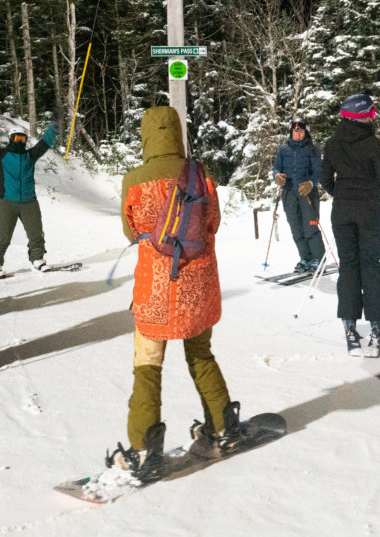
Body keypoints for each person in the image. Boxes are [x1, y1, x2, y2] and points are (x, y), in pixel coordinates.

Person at [108, 105, 240, 481]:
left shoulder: (134, 179)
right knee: (201, 355)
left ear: (146, 136)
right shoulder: (200, 173)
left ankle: (143, 449)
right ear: (178, 133)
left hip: (156, 291)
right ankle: (224, 427)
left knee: (148, 367)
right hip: (199, 286)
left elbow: (130, 231)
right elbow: (212, 222)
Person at [320, 93, 380, 350]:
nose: (374, 117)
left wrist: (340, 194)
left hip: (342, 212)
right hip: (369, 211)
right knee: (370, 264)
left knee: (349, 265)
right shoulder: (373, 144)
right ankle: (377, 320)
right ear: (363, 116)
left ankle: (349, 321)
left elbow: (325, 178)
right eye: (372, 113)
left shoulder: (332, 143)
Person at [0, 119, 57, 278]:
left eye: (23, 139)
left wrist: (55, 126)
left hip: (29, 202)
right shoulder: (1, 155)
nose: (20, 141)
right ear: (11, 138)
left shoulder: (30, 155)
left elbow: (46, 141)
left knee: (36, 233)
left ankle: (38, 260)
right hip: (6, 202)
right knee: (3, 236)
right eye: (17, 138)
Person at [272, 118, 325, 272]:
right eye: (295, 130)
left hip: (307, 193)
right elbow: (276, 168)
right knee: (296, 228)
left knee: (310, 227)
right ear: (291, 132)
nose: (298, 133)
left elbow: (318, 171)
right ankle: (305, 258)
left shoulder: (312, 150)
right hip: (289, 193)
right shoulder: (283, 149)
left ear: (305, 132)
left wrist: (311, 183)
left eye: (301, 130)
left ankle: (318, 258)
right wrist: (277, 176)